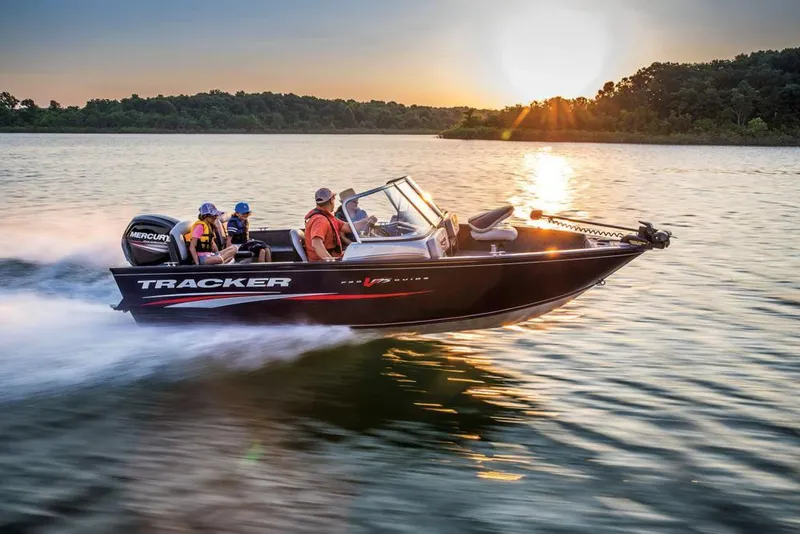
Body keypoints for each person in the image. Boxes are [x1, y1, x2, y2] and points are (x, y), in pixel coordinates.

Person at [304, 188, 357, 262]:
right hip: (321, 264)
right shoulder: (320, 220)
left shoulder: (327, 217)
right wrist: (331, 261)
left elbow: (349, 227)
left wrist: (367, 222)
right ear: (332, 200)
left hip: (334, 257)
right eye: (334, 199)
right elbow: (316, 244)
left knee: (357, 252)